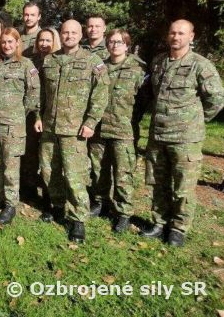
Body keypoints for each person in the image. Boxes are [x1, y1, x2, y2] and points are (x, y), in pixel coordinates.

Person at [141, 20, 224, 246]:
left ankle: (178, 228)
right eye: (173, 33)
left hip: (185, 139)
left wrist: (194, 121)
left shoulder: (200, 65)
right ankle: (159, 222)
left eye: (181, 33)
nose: (176, 37)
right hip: (158, 135)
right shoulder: (158, 62)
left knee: (183, 187)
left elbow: (216, 99)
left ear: (191, 36)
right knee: (157, 182)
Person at [35, 19, 109, 243]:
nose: (69, 36)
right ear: (61, 34)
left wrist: (91, 122)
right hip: (50, 126)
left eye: (73, 32)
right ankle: (57, 206)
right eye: (65, 32)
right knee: (49, 170)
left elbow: (101, 94)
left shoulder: (92, 61)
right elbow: (41, 93)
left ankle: (78, 219)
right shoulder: (50, 60)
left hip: (74, 129)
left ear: (81, 35)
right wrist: (38, 115)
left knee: (75, 175)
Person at [87, 29, 146, 232]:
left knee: (123, 173)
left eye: (119, 42)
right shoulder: (100, 67)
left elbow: (144, 100)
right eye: (111, 42)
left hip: (123, 130)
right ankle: (100, 203)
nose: (115, 45)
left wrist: (132, 119)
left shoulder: (137, 69)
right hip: (99, 128)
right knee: (98, 170)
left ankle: (123, 213)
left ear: (127, 45)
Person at [0, 28, 40, 225]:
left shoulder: (26, 65)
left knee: (10, 166)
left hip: (13, 124)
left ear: (17, 43)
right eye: (4, 42)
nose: (6, 45)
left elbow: (33, 94)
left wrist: (18, 113)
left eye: (10, 42)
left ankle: (10, 204)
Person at [22, 27, 61, 200]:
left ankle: (50, 194)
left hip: (51, 115)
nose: (44, 44)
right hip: (32, 113)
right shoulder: (31, 62)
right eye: (41, 40)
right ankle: (29, 188)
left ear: (54, 42)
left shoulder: (59, 61)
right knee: (30, 152)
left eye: (48, 40)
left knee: (49, 157)